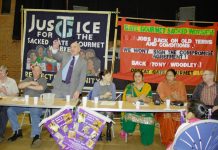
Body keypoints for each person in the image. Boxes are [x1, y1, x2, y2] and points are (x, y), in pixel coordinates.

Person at [7, 65, 47, 148]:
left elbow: (41, 88)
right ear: (32, 72)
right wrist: (30, 83)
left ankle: (36, 136)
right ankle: (17, 131)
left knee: (34, 112)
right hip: (24, 103)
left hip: (36, 103)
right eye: (34, 70)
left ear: (40, 72)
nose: (35, 72)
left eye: (37, 71)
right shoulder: (28, 79)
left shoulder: (43, 80)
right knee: (10, 110)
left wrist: (27, 86)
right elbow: (19, 86)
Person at [122, 70, 155, 146]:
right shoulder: (130, 86)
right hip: (133, 110)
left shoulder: (147, 87)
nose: (137, 78)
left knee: (149, 121)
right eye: (135, 76)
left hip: (145, 110)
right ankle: (126, 130)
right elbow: (128, 99)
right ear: (133, 78)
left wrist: (145, 99)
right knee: (128, 122)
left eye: (139, 76)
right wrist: (139, 98)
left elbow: (149, 100)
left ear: (143, 77)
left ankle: (146, 141)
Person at [155, 68, 187, 147]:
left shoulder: (180, 84)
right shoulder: (162, 84)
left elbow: (184, 99)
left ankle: (178, 139)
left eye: (171, 75)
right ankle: (169, 142)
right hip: (163, 110)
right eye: (167, 75)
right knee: (167, 117)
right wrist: (171, 96)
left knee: (179, 118)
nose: (169, 77)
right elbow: (161, 99)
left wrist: (178, 98)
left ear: (175, 76)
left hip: (177, 110)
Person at [91, 70, 116, 141]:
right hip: (98, 105)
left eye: (110, 75)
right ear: (103, 77)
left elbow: (114, 98)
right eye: (108, 75)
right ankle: (99, 131)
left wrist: (109, 97)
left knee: (109, 113)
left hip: (108, 105)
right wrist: (103, 96)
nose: (110, 77)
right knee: (100, 113)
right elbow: (93, 97)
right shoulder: (97, 84)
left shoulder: (112, 85)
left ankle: (108, 131)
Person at [0, 65, 19, 142]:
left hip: (8, 103)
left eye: (2, 72)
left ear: (6, 73)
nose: (0, 74)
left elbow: (16, 95)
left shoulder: (12, 81)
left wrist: (6, 92)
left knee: (3, 112)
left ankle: (0, 134)